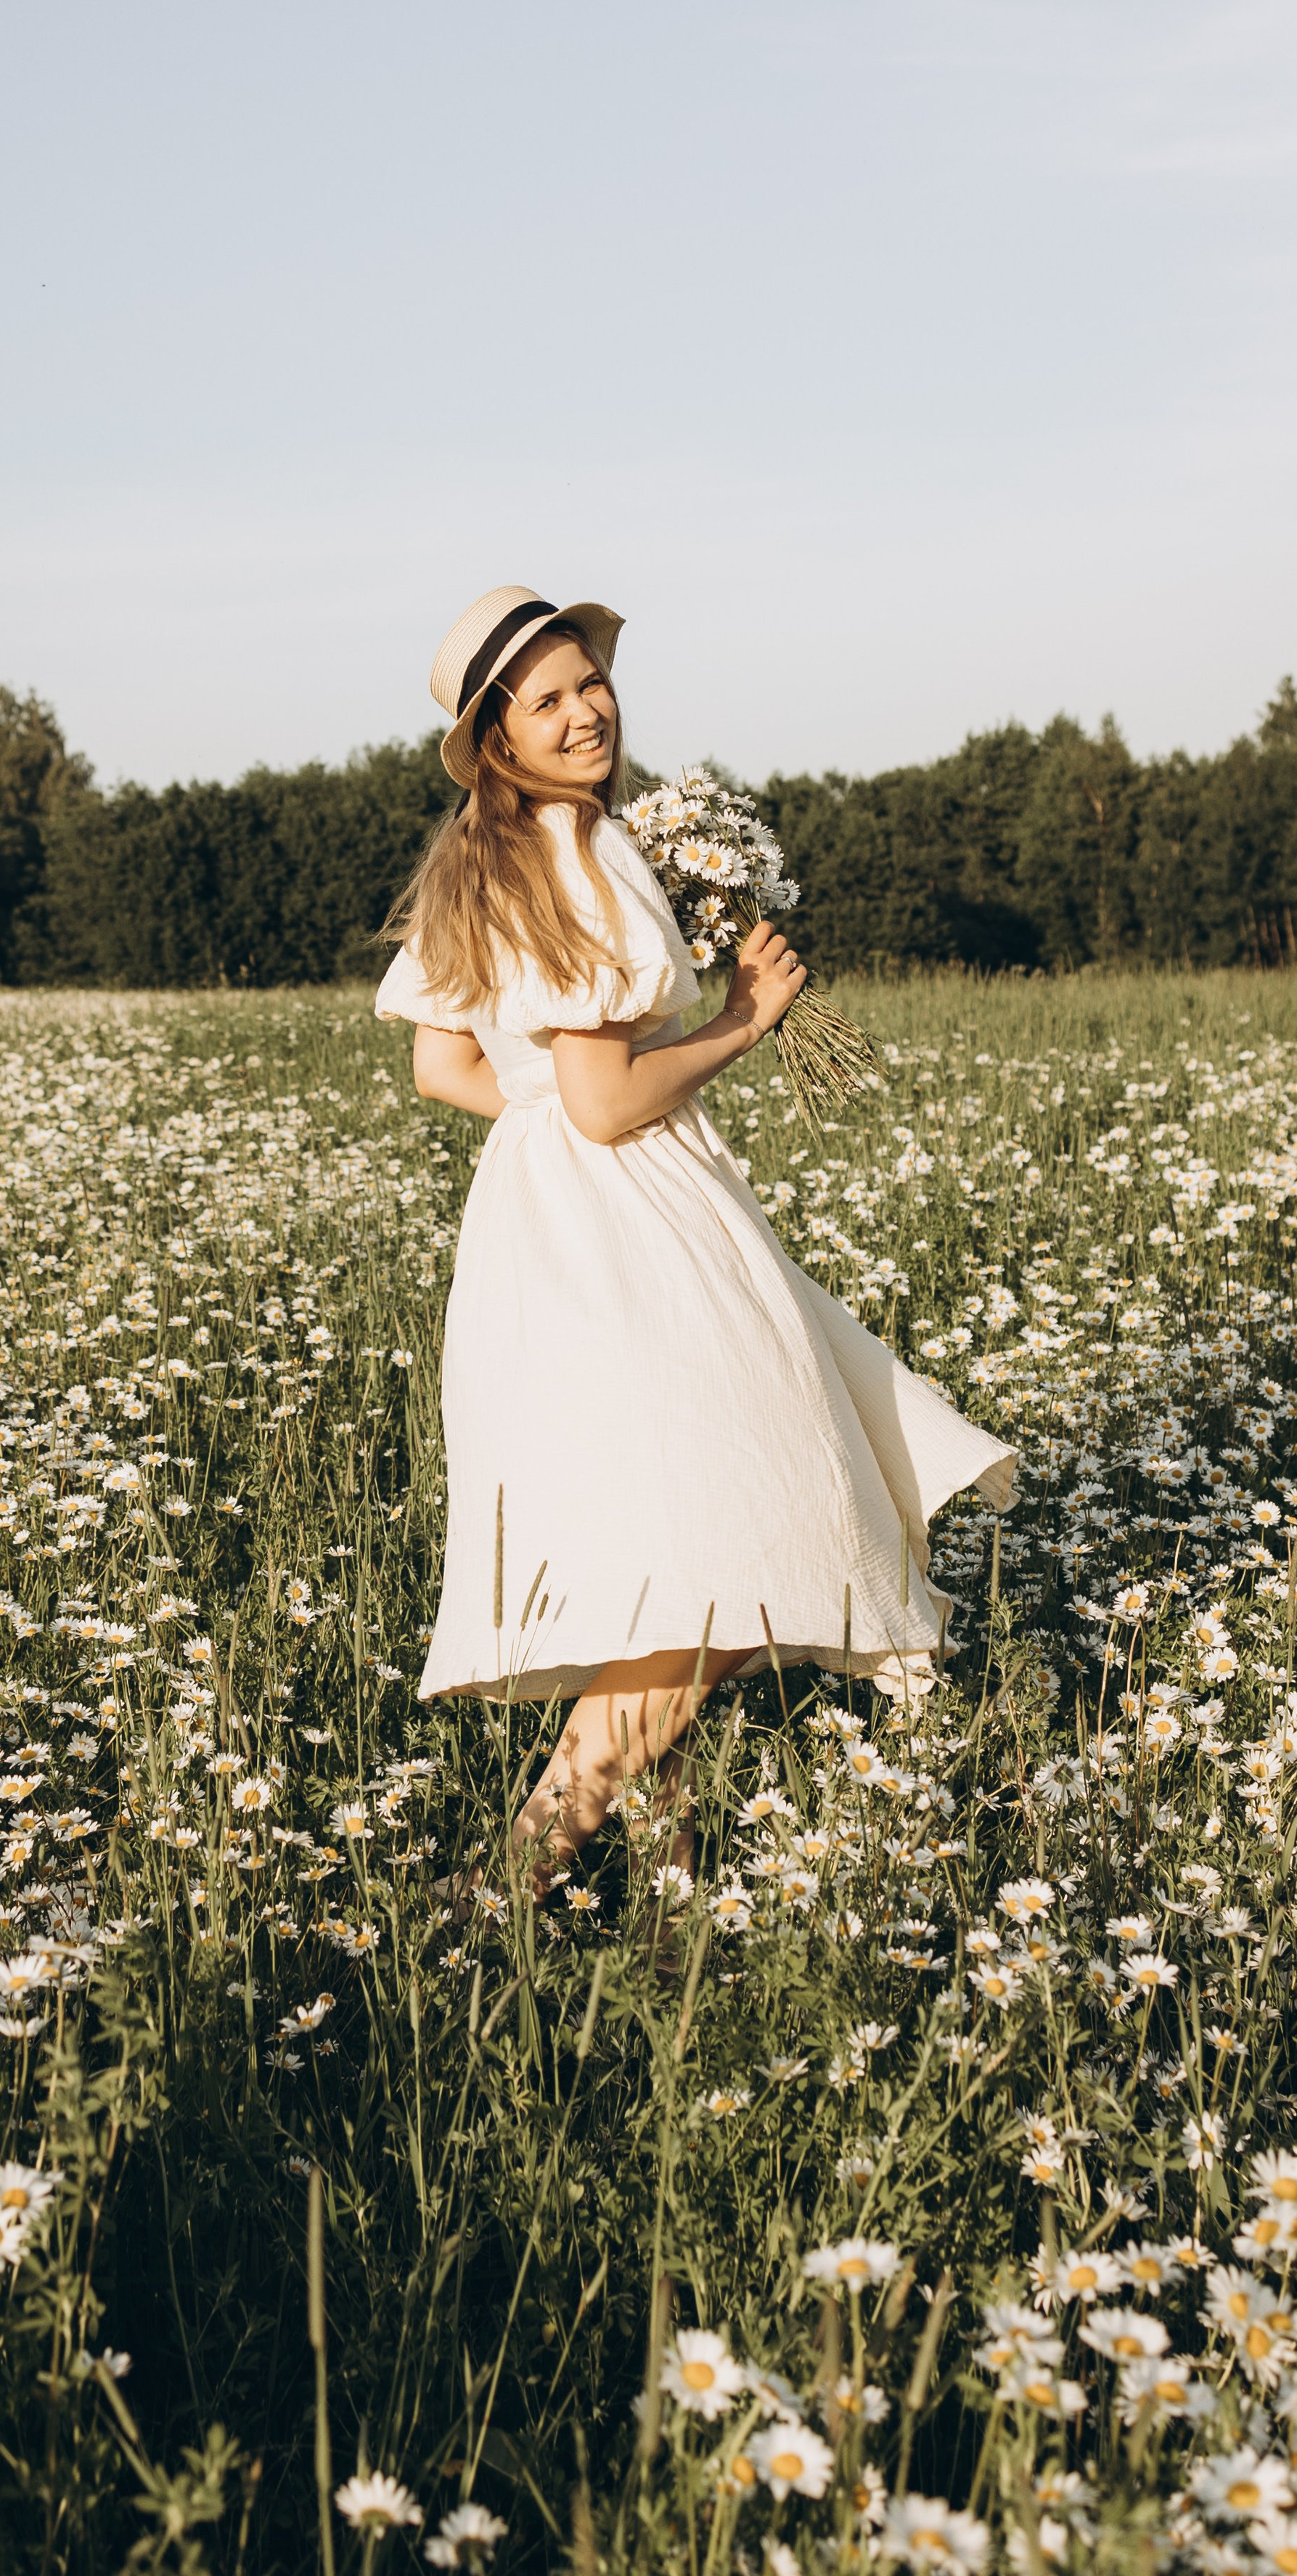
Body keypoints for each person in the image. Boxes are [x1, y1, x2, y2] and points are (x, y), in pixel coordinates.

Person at [376, 585, 1015, 1894]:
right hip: (630, 1231)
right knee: (730, 1553)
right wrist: (742, 1017)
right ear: (497, 736)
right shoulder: (576, 854)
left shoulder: (489, 861)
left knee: (689, 1550)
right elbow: (609, 1102)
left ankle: (659, 1916)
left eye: (587, 684)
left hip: (545, 1227)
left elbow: (452, 1068)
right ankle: (511, 1880)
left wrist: (554, 1113)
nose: (583, 711)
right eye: (545, 700)